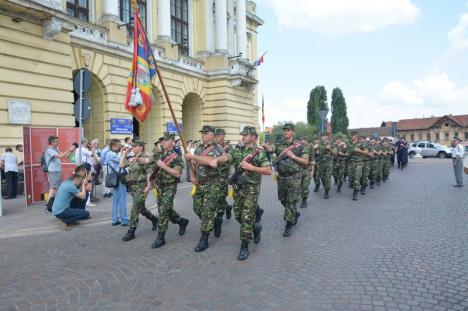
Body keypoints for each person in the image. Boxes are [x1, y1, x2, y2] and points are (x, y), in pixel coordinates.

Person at [213, 126, 272, 260]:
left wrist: (251, 167)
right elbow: (227, 157)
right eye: (243, 134)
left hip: (251, 189)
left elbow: (268, 170)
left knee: (246, 217)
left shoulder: (259, 153)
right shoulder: (237, 150)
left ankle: (244, 246)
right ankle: (256, 227)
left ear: (253, 137)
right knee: (239, 216)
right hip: (237, 189)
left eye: (246, 135)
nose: (243, 136)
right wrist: (217, 160)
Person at [262, 123, 308, 237]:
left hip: (294, 177)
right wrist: (265, 146)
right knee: (283, 200)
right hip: (281, 177)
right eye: (284, 130)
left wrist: (293, 156)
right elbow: (271, 149)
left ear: (293, 132)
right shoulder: (279, 144)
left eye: (288, 130)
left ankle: (288, 224)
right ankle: (294, 213)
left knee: (291, 201)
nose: (285, 132)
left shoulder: (300, 146)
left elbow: (305, 162)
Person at [184, 125, 224, 252]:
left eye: (206, 133)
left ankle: (204, 240)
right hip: (200, 183)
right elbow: (192, 164)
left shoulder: (217, 148)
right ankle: (214, 221)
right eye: (202, 133)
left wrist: (193, 157)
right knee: (196, 208)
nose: (203, 135)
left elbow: (210, 161)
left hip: (212, 184)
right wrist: (192, 176)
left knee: (207, 211)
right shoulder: (199, 148)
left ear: (213, 134)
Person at [151, 133, 189, 249]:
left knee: (163, 211)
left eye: (166, 140)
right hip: (160, 187)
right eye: (162, 141)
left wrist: (163, 166)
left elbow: (177, 173)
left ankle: (160, 237)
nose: (163, 143)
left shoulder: (176, 157)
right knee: (165, 209)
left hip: (169, 186)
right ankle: (181, 221)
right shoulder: (161, 155)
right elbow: (149, 161)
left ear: (172, 142)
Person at [121, 141, 159, 241]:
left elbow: (149, 173)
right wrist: (124, 154)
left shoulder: (145, 157)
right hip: (133, 187)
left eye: (134, 146)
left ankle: (131, 231)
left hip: (141, 187)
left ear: (141, 147)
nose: (132, 148)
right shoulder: (133, 157)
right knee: (141, 209)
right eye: (132, 146)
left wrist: (148, 186)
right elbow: (122, 165)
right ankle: (155, 219)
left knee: (135, 208)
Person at [213, 128, 233, 236]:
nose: (217, 139)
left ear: (222, 137)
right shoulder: (212, 147)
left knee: (220, 198)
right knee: (214, 198)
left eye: (219, 137)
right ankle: (227, 207)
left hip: (223, 177)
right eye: (216, 137)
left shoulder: (228, 148)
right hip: (213, 178)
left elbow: (231, 160)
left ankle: (219, 219)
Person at [44, 136, 76, 203]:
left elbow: (65, 156)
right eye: (56, 141)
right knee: (53, 188)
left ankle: (52, 203)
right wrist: (69, 150)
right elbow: (60, 156)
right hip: (53, 171)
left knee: (56, 188)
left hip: (57, 171)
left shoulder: (56, 149)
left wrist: (71, 151)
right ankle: (48, 205)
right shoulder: (49, 150)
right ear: (52, 142)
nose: (58, 143)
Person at [107, 139, 129, 226]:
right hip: (119, 178)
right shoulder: (111, 154)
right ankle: (124, 220)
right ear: (113, 146)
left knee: (116, 200)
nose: (120, 147)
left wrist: (123, 152)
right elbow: (122, 162)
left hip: (116, 178)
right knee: (122, 199)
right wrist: (123, 152)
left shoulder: (113, 153)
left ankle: (114, 219)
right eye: (119, 146)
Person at [318, 133, 337, 199]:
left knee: (328, 177)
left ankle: (326, 191)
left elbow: (335, 153)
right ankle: (325, 186)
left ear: (327, 137)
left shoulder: (332, 144)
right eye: (322, 136)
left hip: (329, 163)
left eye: (323, 136)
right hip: (321, 163)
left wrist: (329, 149)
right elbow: (318, 152)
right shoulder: (320, 144)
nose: (322, 137)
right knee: (322, 177)